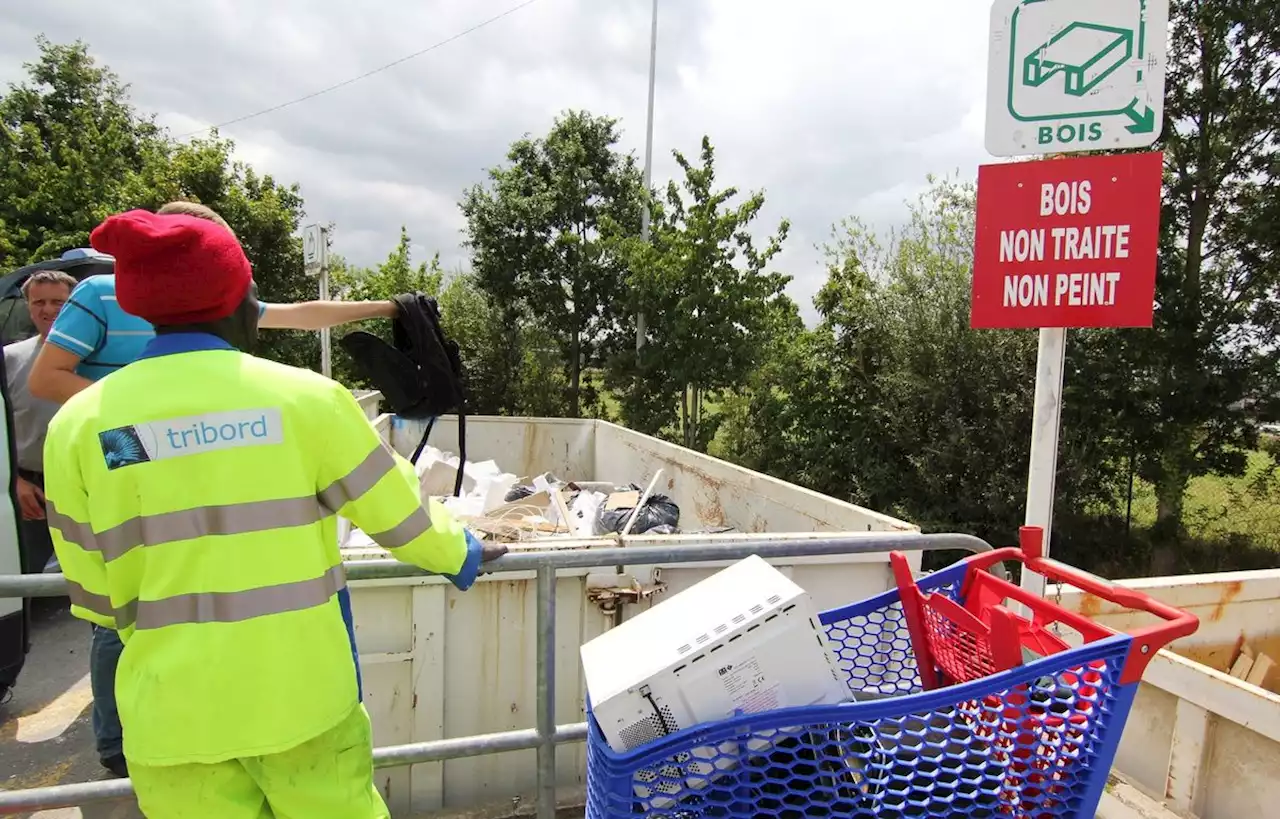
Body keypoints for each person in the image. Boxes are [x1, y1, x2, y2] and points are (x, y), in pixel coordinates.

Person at [44, 209, 504, 818]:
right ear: (237, 297)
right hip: (303, 702)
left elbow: (91, 588)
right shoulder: (303, 400)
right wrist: (462, 552)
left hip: (174, 716)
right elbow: (400, 515)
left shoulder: (81, 424)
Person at [27, 201, 404, 778]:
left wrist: (391, 306)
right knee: (124, 618)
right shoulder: (103, 293)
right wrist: (138, 429)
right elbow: (45, 376)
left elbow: (302, 315)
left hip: (188, 462)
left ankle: (209, 719)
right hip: (132, 463)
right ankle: (115, 742)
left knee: (201, 599)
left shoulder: (216, 303)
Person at [3, 270, 76, 577]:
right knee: (24, 583)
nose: (48, 310)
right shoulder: (9, 360)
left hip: (86, 487)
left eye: (59, 302)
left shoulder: (99, 359)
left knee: (100, 586)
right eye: (39, 302)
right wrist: (14, 482)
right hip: (31, 492)